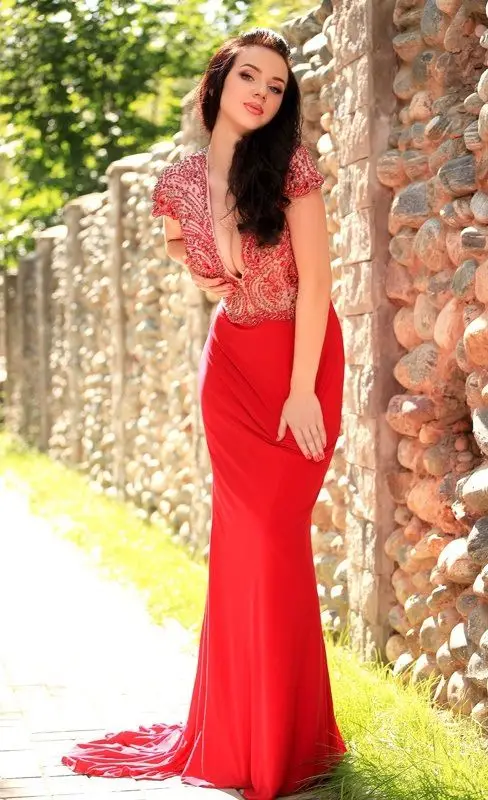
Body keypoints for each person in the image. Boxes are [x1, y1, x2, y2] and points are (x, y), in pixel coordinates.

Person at [61, 26, 347, 800]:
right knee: (244, 548)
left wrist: (299, 389)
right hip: (230, 373)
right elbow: (210, 283)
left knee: (276, 540)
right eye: (249, 76)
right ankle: (244, 732)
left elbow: (317, 285)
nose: (262, 92)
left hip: (300, 365)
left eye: (277, 85)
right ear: (218, 83)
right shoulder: (177, 187)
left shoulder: (291, 168)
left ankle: (290, 737)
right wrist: (201, 249)